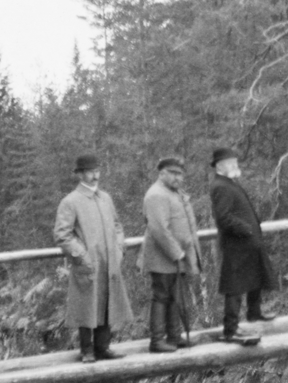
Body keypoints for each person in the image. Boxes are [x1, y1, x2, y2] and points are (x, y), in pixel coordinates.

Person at [54, 154, 134, 363]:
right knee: (87, 306)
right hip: (87, 264)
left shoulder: (105, 198)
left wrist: (119, 249)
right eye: (90, 172)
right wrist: (82, 256)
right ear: (79, 174)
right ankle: (86, 350)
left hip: (109, 262)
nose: (95, 176)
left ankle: (103, 347)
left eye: (97, 171)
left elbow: (117, 226)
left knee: (107, 302)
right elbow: (62, 235)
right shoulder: (70, 202)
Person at [208, 148, 276, 345]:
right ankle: (231, 330)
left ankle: (254, 313)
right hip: (236, 243)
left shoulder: (229, 183)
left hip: (247, 241)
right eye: (231, 162)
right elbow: (223, 217)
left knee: (256, 274)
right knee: (235, 286)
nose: (235, 165)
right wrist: (245, 229)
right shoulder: (220, 186)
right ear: (220, 165)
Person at [139, 156, 202, 353]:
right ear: (162, 173)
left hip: (176, 258)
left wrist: (182, 254)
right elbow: (159, 229)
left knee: (175, 297)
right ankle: (157, 341)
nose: (178, 178)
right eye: (173, 173)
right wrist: (177, 253)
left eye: (180, 174)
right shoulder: (156, 194)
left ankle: (174, 336)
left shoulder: (174, 193)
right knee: (161, 297)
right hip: (163, 258)